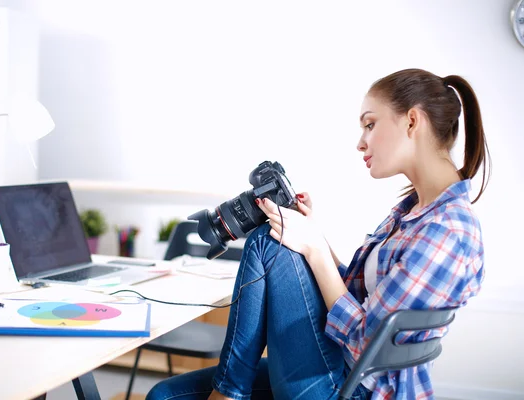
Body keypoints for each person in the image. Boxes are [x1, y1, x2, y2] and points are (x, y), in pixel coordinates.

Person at [145, 68, 490, 400]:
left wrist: (315, 250)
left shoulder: (449, 232)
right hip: (340, 370)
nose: (361, 142)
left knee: (267, 242)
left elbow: (368, 346)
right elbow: (354, 296)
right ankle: (229, 389)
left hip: (358, 388)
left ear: (412, 121)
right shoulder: (412, 212)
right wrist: (314, 236)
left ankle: (229, 392)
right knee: (164, 394)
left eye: (370, 124)